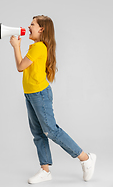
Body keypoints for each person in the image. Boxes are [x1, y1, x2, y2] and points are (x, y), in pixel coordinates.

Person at [10, 15, 96, 184]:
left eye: (32, 24)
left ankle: (85, 158)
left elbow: (20, 67)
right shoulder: (35, 47)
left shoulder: (39, 47)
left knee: (51, 131)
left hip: (39, 94)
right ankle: (45, 170)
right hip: (30, 94)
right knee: (38, 133)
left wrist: (16, 46)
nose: (29, 26)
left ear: (41, 29)